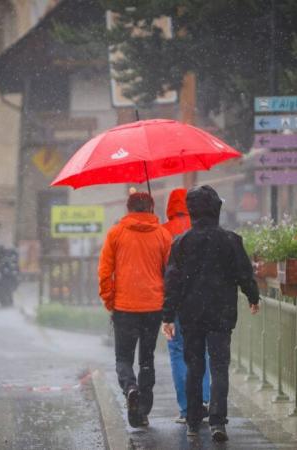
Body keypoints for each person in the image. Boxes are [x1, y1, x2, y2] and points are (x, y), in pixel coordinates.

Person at [162, 185, 260, 442]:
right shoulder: (230, 240)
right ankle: (218, 421)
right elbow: (244, 274)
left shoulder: (181, 243)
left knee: (194, 367)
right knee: (219, 367)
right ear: (216, 209)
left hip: (191, 315)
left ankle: (193, 421)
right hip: (221, 312)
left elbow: (172, 282)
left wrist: (167, 316)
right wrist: (253, 297)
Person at [98, 192, 172, 428]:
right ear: (151, 208)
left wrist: (110, 300)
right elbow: (170, 273)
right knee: (147, 358)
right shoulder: (162, 235)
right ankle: (143, 409)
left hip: (124, 307)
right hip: (153, 306)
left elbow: (104, 272)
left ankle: (130, 387)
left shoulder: (116, 233)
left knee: (123, 357)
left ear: (129, 209)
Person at [162, 188, 211, 424]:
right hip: (201, 298)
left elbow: (165, 271)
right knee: (202, 351)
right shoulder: (202, 228)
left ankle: (186, 408)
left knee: (178, 351)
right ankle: (203, 400)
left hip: (176, 300)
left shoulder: (164, 232)